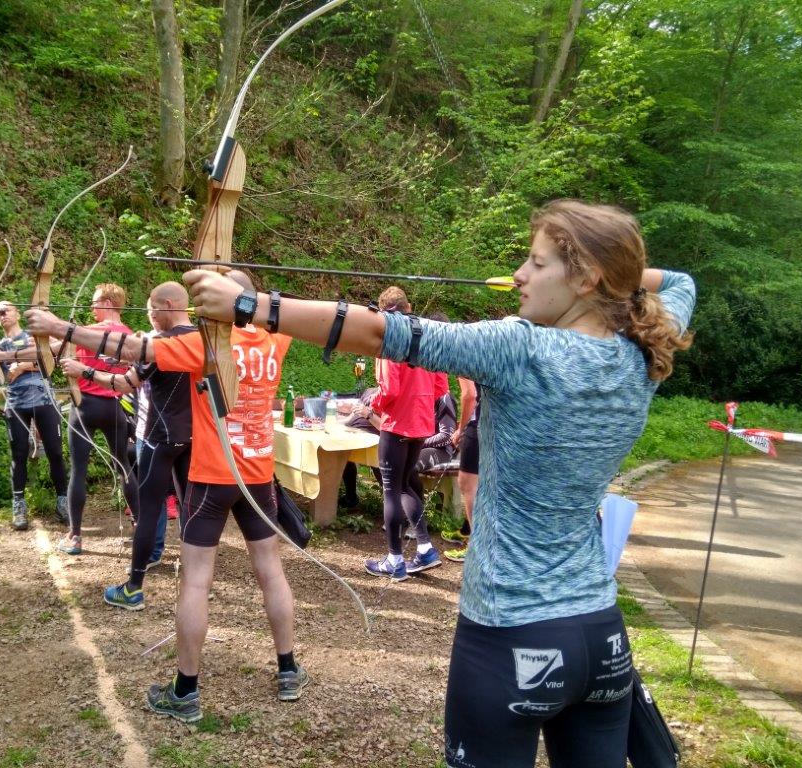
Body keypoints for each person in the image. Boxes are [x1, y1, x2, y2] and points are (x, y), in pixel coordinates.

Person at [182, 200, 695, 768]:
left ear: (586, 276)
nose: (520, 276)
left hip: (510, 635)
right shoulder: (642, 349)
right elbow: (678, 280)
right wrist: (613, 281)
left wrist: (250, 306)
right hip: (601, 636)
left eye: (537, 262)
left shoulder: (520, 346)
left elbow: (382, 334)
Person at [24, 270, 308, 723]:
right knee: (270, 571)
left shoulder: (206, 343)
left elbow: (135, 350)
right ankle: (288, 669)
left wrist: (60, 329)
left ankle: (185, 691)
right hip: (257, 474)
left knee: (196, 580)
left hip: (214, 475)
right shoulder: (277, 338)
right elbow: (282, 309)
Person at [104, 283, 195, 610]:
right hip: (192, 438)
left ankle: (133, 589)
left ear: (168, 305)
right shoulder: (202, 340)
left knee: (150, 509)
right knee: (191, 509)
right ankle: (197, 583)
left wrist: (85, 372)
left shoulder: (159, 344)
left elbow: (124, 382)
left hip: (158, 438)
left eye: (152, 310)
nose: (151, 317)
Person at [366, 286, 449, 581]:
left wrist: (372, 402)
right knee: (406, 487)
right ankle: (425, 548)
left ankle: (395, 561)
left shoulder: (391, 342)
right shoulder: (427, 338)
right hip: (421, 426)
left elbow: (390, 390)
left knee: (392, 490)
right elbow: (441, 387)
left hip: (397, 424)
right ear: (409, 307)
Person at [0, 300, 68, 530]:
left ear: (17, 313)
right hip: (16, 403)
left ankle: (63, 500)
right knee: (18, 454)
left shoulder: (33, 335)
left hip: (44, 399)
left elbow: (59, 348)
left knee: (55, 452)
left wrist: (22, 365)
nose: (2, 316)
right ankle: (19, 504)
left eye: (5, 311)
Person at [54, 283, 138, 555]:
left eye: (95, 302)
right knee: (124, 466)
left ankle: (75, 537)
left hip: (85, 407)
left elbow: (53, 347)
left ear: (108, 302)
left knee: (79, 469)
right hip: (114, 407)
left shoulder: (86, 333)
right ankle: (141, 527)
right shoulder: (129, 336)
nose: (91, 308)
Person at [442, 376, 480, 563]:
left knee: (467, 484)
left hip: (478, 424)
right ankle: (467, 530)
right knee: (482, 483)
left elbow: (469, 395)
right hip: (496, 423)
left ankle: (476, 547)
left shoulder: (466, 351)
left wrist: (460, 429)